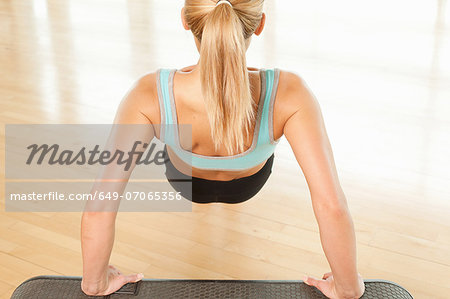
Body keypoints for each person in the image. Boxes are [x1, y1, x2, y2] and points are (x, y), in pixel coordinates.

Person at [81, 0, 365, 298]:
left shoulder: (148, 94)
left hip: (186, 183)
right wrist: (347, 287)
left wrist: (95, 283)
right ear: (259, 24)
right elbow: (331, 205)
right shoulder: (291, 93)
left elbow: (102, 203)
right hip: (249, 183)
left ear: (186, 20)